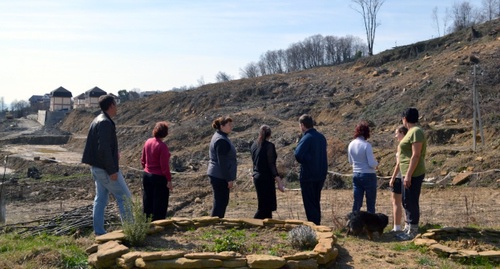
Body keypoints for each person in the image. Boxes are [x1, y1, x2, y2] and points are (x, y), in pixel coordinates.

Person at [82, 94, 132, 236]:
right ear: (111, 105)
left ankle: (99, 231)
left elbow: (102, 147)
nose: (117, 107)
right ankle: (130, 231)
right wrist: (112, 170)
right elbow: (103, 148)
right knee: (125, 198)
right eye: (115, 104)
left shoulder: (97, 120)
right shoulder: (105, 122)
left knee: (101, 198)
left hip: (97, 168)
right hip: (105, 169)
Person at [397, 107, 427, 240]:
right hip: (407, 172)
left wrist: (408, 174)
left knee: (411, 201)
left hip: (414, 173)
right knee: (406, 200)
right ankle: (408, 227)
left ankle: (413, 230)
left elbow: (416, 155)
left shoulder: (416, 131)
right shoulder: (410, 132)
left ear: (405, 118)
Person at [294, 114, 328, 225]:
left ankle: (314, 226)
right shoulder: (321, 137)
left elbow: (298, 154)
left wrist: (307, 160)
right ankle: (317, 223)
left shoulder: (307, 138)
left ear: (302, 125)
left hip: (308, 176)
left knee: (309, 203)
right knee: (316, 201)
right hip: (320, 175)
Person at [250, 125, 285, 219]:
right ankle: (253, 223)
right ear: (269, 135)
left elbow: (254, 161)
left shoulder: (254, 145)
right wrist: (278, 180)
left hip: (257, 177)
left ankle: (267, 224)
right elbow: (271, 164)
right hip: (266, 178)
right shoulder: (269, 146)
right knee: (264, 207)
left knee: (264, 205)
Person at [141, 121, 172, 221]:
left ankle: (146, 223)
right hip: (158, 177)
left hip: (147, 175)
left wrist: (146, 169)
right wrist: (169, 180)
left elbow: (143, 160)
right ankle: (158, 224)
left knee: (147, 200)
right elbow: (164, 167)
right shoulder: (162, 146)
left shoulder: (148, 142)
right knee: (160, 203)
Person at [207, 116, 237, 218]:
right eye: (229, 125)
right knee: (221, 201)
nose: (231, 127)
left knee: (221, 200)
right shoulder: (221, 140)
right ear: (222, 126)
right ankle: (215, 222)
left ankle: (216, 221)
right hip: (219, 175)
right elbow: (222, 162)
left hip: (218, 174)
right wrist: (228, 179)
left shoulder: (221, 137)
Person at [347, 120, 379, 214]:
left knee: (357, 201)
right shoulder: (367, 145)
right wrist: (377, 163)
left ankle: (353, 222)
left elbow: (350, 161)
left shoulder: (351, 144)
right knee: (370, 202)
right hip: (369, 174)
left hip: (356, 174)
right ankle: (371, 224)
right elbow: (371, 163)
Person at [389, 125, 408, 232]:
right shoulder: (410, 144)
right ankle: (407, 225)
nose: (396, 135)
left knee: (396, 202)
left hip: (400, 176)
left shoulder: (401, 145)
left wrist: (393, 177)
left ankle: (397, 227)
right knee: (406, 202)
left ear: (402, 133)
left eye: (397, 133)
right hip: (406, 175)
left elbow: (399, 163)